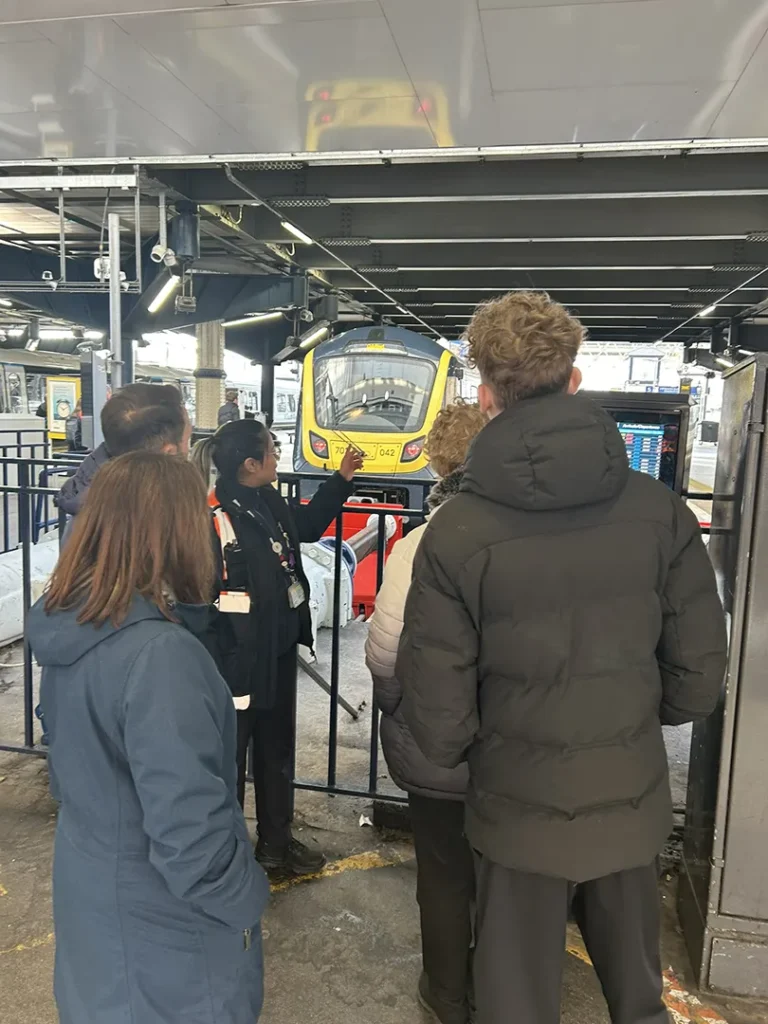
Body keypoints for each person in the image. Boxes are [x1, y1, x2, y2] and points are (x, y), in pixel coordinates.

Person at [396, 291, 728, 1024]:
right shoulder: (660, 512)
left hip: (514, 812)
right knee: (639, 1000)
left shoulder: (455, 532)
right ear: (575, 380)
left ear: (486, 396)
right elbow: (699, 679)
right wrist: (631, 718)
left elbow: (440, 719)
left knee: (514, 1003)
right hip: (630, 798)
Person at [27, 452, 269, 1024]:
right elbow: (191, 835)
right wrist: (246, 898)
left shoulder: (79, 622)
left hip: (97, 903)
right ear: (176, 533)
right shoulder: (161, 657)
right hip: (166, 933)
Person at [197, 419, 363, 875]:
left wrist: (341, 480)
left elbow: (304, 528)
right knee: (230, 759)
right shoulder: (214, 517)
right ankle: (226, 856)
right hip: (235, 660)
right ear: (250, 464)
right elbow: (203, 597)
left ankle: (276, 843)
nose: (277, 456)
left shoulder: (267, 498)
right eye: (271, 450)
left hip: (276, 649)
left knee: (276, 750)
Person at [365, 401, 486, 1024]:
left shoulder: (419, 544)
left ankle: (446, 992)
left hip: (436, 742)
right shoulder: (534, 535)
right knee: (506, 873)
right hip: (515, 747)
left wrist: (395, 706)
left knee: (442, 870)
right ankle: (499, 985)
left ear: (437, 464)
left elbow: (384, 650)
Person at [55, 382, 191, 530]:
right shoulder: (159, 523)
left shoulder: (86, 507)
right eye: (187, 441)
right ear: (169, 452)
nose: (188, 451)